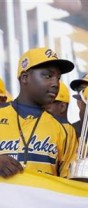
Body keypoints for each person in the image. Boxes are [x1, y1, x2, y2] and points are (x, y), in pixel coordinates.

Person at [0, 47, 77, 178]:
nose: (55, 84)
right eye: (48, 76)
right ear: (25, 78)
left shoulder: (65, 129)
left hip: (41, 198)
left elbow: (70, 184)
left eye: (58, 78)